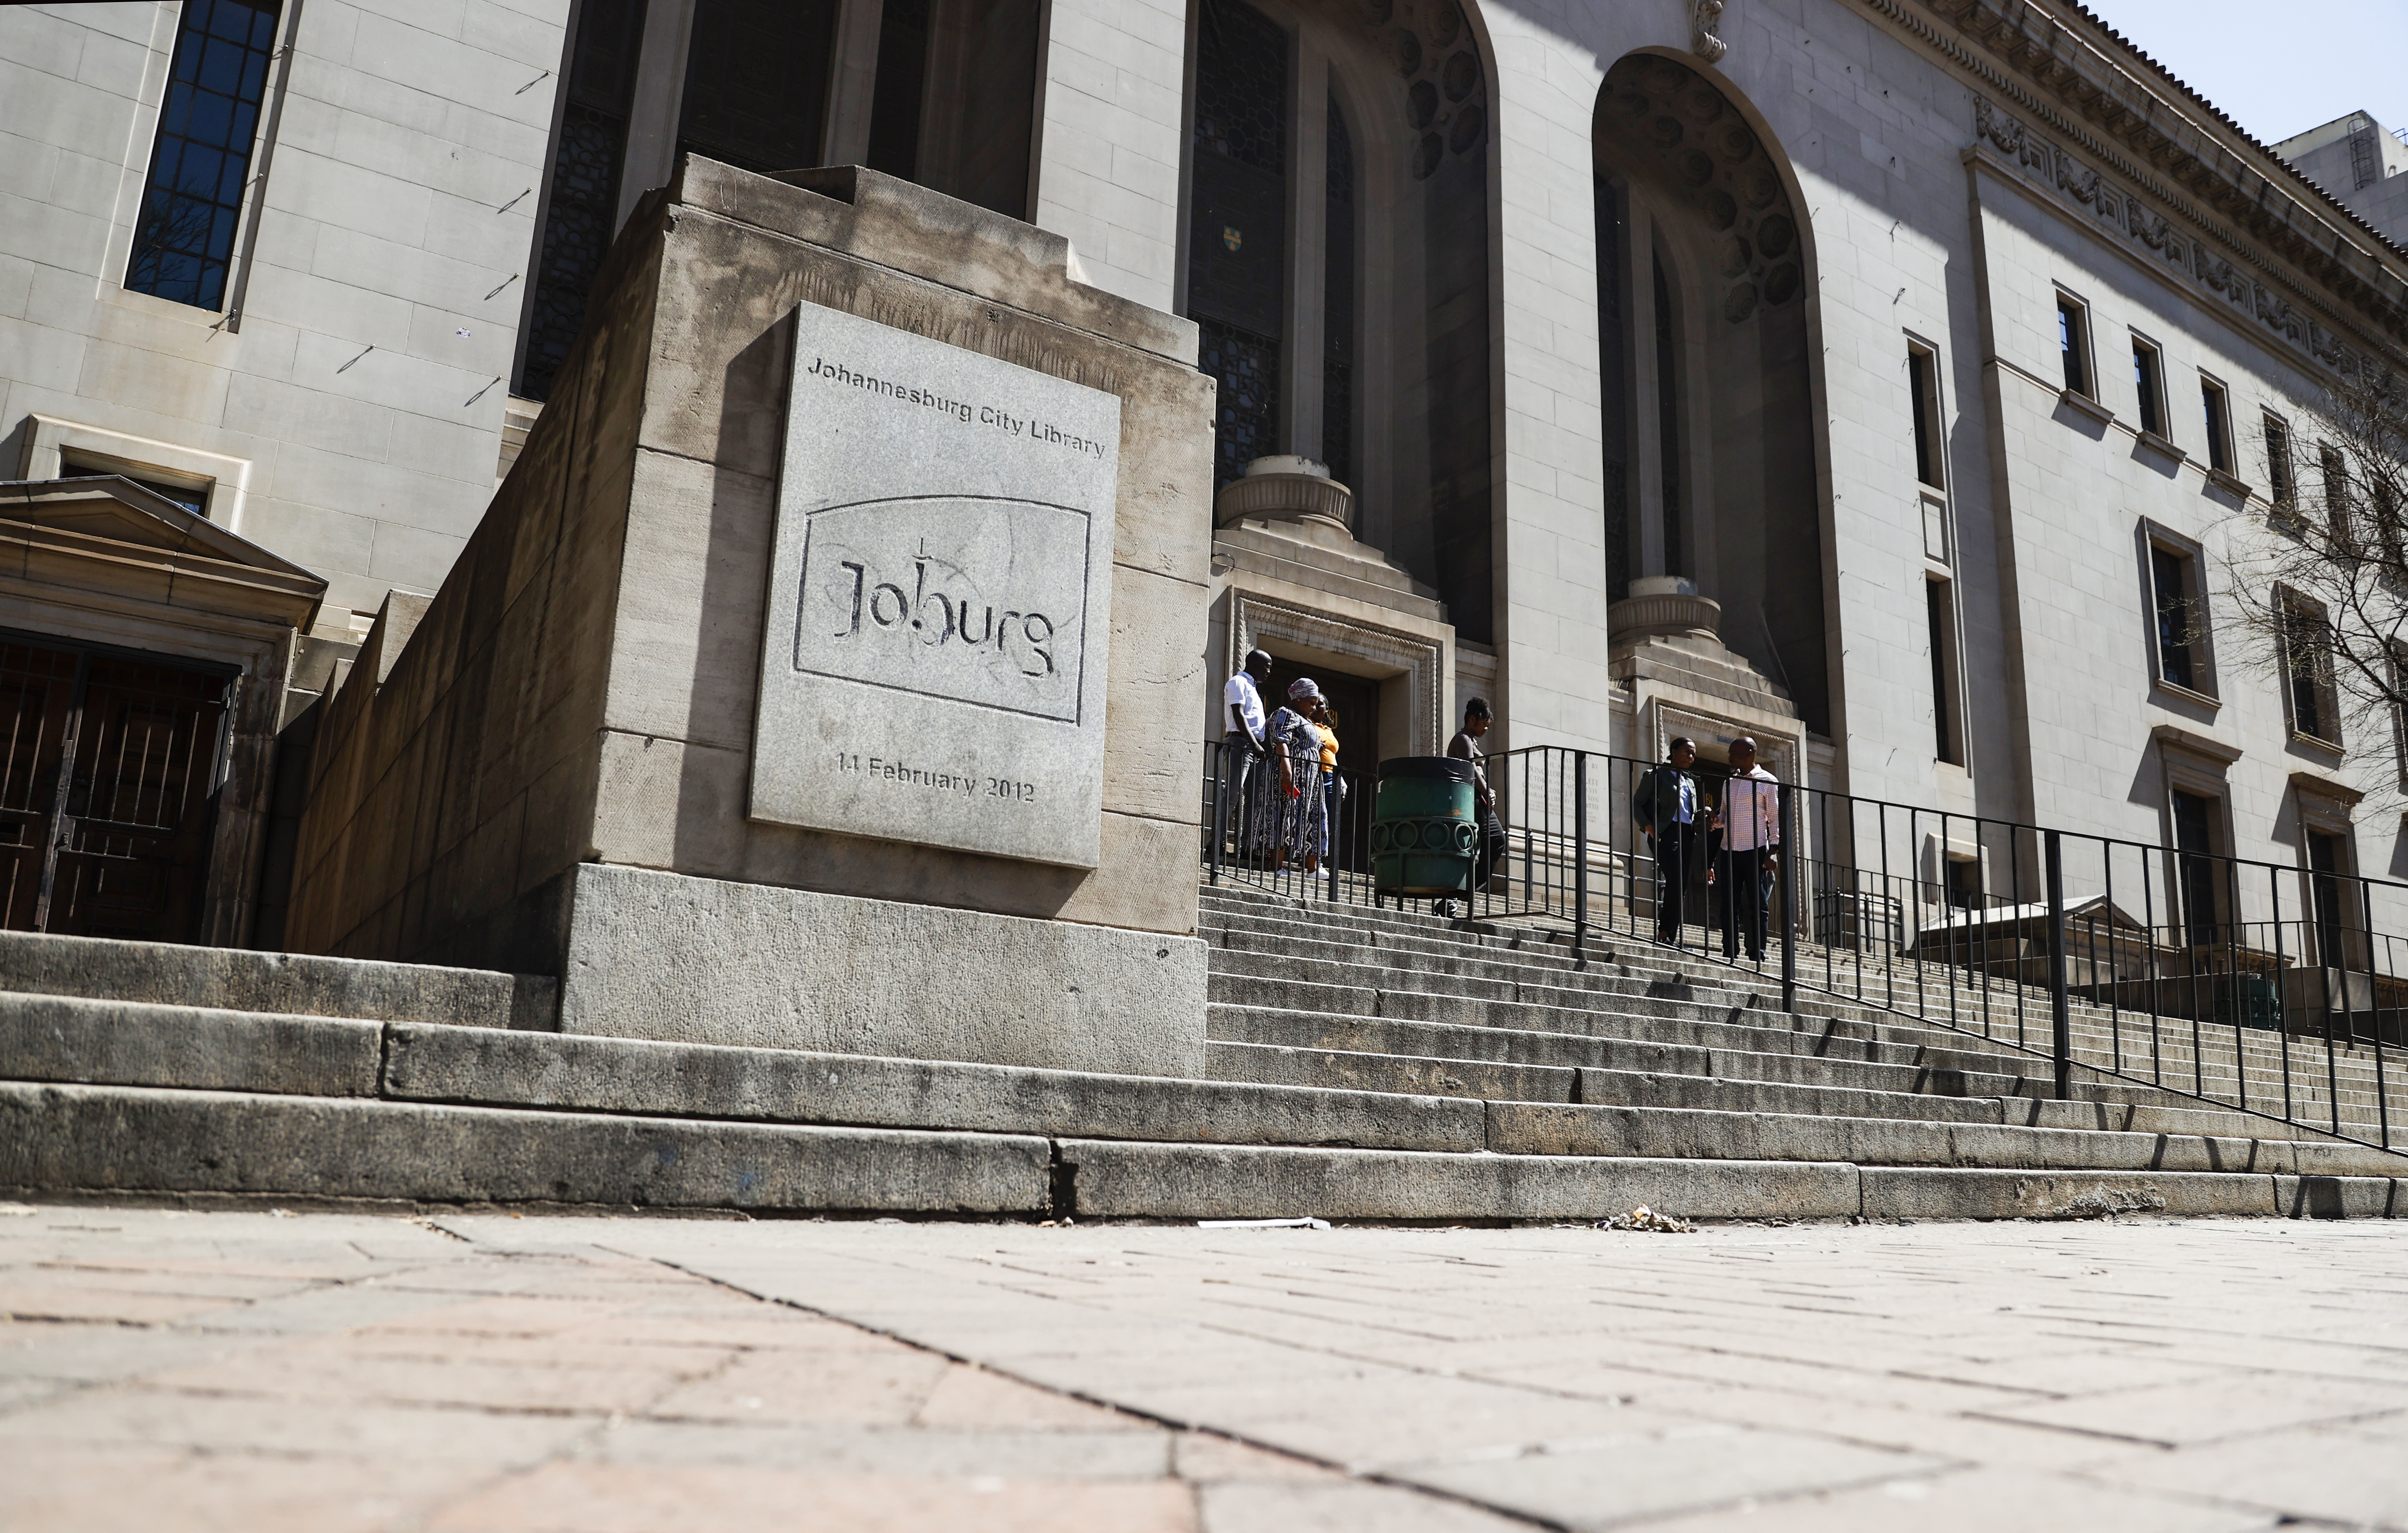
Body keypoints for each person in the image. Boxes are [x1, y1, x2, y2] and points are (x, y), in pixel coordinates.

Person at [1711, 736, 1782, 962]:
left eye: (1735, 753)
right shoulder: (1728, 782)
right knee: (1728, 904)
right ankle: (1729, 950)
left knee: (1756, 904)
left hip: (1756, 850)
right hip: (1729, 850)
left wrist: (1774, 850)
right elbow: (1724, 816)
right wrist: (1714, 819)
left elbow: (1775, 818)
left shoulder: (1767, 780)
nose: (1730, 757)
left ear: (1750, 753)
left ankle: (1757, 952)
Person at [1438, 698, 1506, 917]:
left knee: (1486, 844)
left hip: (1477, 798)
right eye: (1484, 722)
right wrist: (1488, 790)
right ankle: (1458, 894)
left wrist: (1487, 792)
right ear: (1472, 719)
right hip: (1470, 799)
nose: (1486, 727)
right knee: (1495, 839)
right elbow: (1471, 768)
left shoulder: (1471, 740)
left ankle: (1457, 895)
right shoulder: (1463, 739)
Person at [1631, 737, 1702, 945]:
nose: (1691, 757)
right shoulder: (1657, 775)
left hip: (1687, 833)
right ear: (1673, 752)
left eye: (1694, 754)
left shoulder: (1690, 780)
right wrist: (1648, 827)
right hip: (1665, 832)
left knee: (1681, 885)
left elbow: (1691, 811)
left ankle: (1668, 933)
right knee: (1676, 880)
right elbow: (1638, 802)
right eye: (1687, 752)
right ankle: (1665, 932)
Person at [1255, 678, 1329, 872]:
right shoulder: (1285, 713)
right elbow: (1281, 741)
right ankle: (1277, 866)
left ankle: (1313, 868)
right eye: (1311, 703)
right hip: (1290, 774)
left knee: (1311, 817)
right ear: (1298, 699)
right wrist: (1287, 770)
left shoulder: (1308, 722)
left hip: (1310, 780)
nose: (1314, 708)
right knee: (1284, 814)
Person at [1219, 649, 1273, 856]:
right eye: (1267, 666)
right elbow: (1238, 715)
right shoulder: (1238, 683)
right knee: (1232, 795)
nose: (1269, 671)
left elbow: (1253, 721)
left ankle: (1246, 847)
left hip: (1254, 747)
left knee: (1254, 799)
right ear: (1255, 664)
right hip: (1240, 744)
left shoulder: (1253, 688)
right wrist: (1255, 744)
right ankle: (1217, 843)